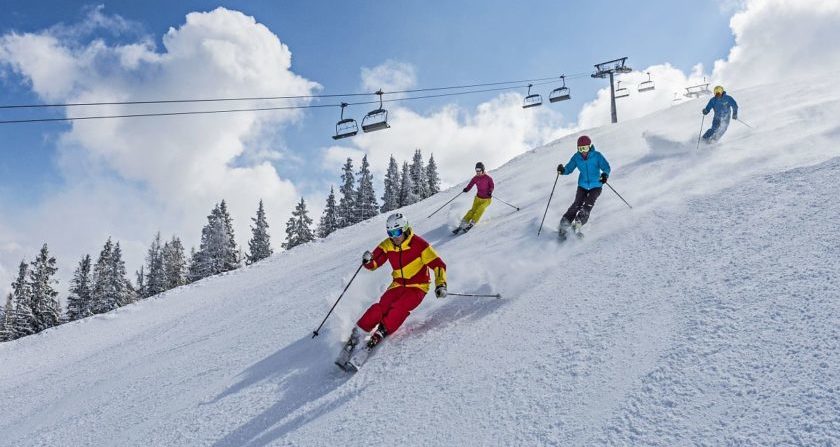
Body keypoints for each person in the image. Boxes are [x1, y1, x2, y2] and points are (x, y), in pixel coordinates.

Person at [337, 212, 447, 370]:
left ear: (406, 229)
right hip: (397, 284)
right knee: (379, 308)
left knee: (399, 308)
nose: (393, 237)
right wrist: (367, 260)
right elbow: (375, 263)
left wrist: (440, 284)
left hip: (418, 287)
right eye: (390, 233)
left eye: (396, 233)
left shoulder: (420, 245)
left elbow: (438, 265)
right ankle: (356, 336)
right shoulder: (387, 244)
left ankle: (379, 334)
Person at [556, 135, 611, 240]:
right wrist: (563, 170)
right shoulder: (576, 157)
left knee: (588, 204)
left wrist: (604, 175)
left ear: (589, 147)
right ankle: (564, 224)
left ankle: (578, 224)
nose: (583, 151)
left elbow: (606, 167)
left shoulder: (597, 155)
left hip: (596, 185)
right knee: (577, 204)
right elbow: (569, 168)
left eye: (585, 148)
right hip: (583, 185)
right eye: (580, 149)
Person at [453, 162, 495, 234]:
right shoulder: (475, 178)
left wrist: (490, 191)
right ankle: (463, 223)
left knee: (480, 209)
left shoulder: (488, 178)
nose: (478, 172)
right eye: (476, 170)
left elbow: (492, 186)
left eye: (479, 170)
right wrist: (466, 189)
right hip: (478, 198)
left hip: (487, 199)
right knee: (473, 210)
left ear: (483, 170)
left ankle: (472, 223)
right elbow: (470, 185)